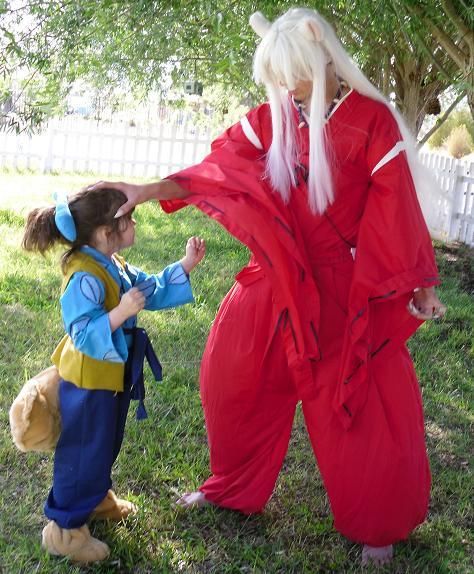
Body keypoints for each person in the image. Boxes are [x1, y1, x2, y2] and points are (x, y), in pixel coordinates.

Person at [93, 8, 446, 567]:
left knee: (354, 403)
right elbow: (219, 169)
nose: (284, 87)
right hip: (274, 273)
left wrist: (419, 284)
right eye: (276, 78)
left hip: (335, 286)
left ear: (320, 54)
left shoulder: (371, 121)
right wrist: (150, 187)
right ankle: (228, 485)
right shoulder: (273, 117)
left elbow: (396, 205)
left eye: (291, 74)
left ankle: (378, 522)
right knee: (230, 376)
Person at [21, 187, 205, 563]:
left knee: (104, 443)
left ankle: (96, 497)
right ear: (107, 232)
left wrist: (184, 266)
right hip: (88, 382)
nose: (135, 223)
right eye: (130, 218)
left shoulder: (112, 263)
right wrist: (120, 313)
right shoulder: (84, 277)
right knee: (84, 448)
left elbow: (147, 289)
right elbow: (82, 332)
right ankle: (64, 531)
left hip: (110, 376)